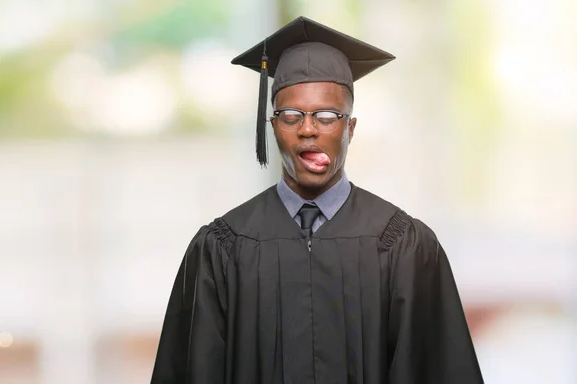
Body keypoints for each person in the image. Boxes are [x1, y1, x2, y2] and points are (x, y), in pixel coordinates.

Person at [151, 16, 484, 384]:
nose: (308, 129)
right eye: (291, 116)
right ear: (273, 126)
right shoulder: (222, 250)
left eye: (327, 116)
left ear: (350, 128)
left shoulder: (405, 247)